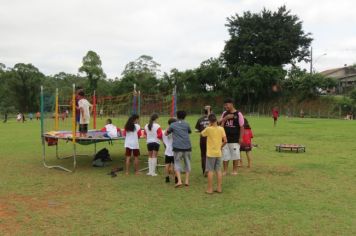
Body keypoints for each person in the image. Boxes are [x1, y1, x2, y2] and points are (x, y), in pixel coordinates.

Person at [201, 114, 227, 194]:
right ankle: (219, 188)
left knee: (210, 171)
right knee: (218, 170)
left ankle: (210, 189)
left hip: (210, 153)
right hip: (218, 153)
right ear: (216, 120)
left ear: (210, 121)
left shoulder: (208, 129)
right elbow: (225, 141)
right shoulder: (221, 128)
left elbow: (201, 134)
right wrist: (220, 147)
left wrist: (209, 125)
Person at [166, 110, 192, 188]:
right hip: (187, 146)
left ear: (177, 116)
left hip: (177, 147)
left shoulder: (173, 125)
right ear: (185, 116)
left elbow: (166, 133)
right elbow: (189, 132)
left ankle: (179, 181)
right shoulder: (187, 124)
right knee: (187, 163)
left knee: (177, 163)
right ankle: (187, 181)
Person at [219, 98, 244, 176]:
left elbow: (242, 127)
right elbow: (219, 122)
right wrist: (226, 118)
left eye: (226, 105)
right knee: (225, 155)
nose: (225, 106)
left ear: (231, 104)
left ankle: (234, 170)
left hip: (235, 139)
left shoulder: (238, 114)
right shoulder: (224, 113)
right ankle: (225, 171)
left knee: (235, 155)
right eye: (224, 105)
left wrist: (241, 138)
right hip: (225, 139)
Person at [195, 105, 211, 176]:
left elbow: (196, 130)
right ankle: (210, 171)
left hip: (203, 139)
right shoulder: (212, 119)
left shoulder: (200, 119)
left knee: (203, 155)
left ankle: (205, 171)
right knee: (210, 155)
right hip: (211, 139)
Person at [162, 118, 177, 183]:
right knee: (174, 165)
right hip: (174, 150)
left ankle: (167, 177)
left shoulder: (165, 131)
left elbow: (163, 139)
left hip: (167, 150)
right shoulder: (174, 131)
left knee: (167, 164)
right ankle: (175, 178)